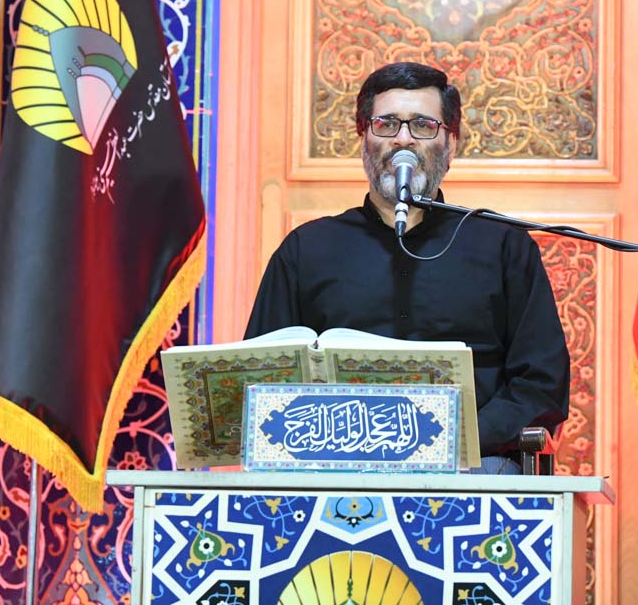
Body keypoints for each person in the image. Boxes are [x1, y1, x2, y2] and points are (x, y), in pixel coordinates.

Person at [244, 62, 571, 474]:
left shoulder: (504, 246)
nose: (402, 139)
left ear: (451, 144)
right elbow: (260, 382)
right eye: (386, 124)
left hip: (473, 462)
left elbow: (541, 386)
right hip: (332, 466)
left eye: (422, 125)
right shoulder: (306, 250)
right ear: (364, 138)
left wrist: (456, 439)